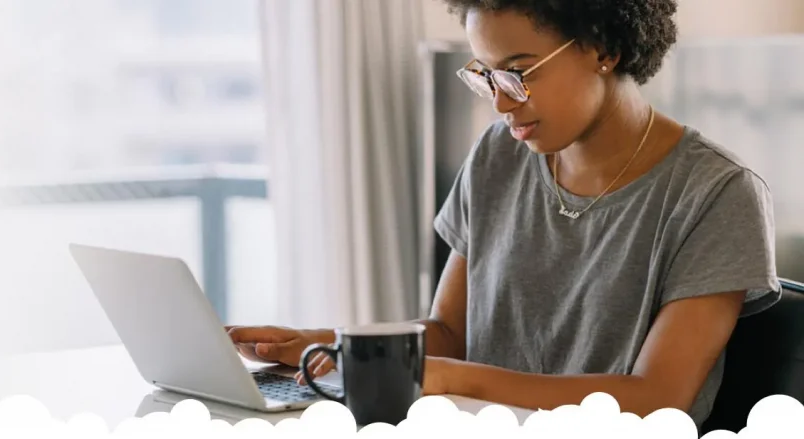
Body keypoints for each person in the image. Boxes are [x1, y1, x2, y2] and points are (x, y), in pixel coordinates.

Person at [226, 0, 781, 428]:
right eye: (486, 75)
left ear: (602, 47)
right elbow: (447, 334)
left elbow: (657, 400)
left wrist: (444, 379)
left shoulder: (716, 194)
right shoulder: (497, 154)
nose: (500, 101)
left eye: (519, 71)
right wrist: (326, 345)